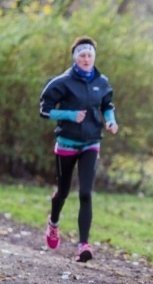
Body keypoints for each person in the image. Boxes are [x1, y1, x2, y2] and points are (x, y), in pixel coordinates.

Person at [38, 36, 118, 262]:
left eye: (89, 55)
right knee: (62, 192)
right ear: (75, 57)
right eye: (82, 55)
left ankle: (84, 244)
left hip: (91, 142)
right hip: (66, 143)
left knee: (85, 193)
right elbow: (44, 110)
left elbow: (107, 106)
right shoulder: (62, 82)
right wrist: (69, 115)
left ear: (94, 57)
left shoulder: (102, 82)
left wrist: (110, 120)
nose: (86, 59)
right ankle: (53, 223)